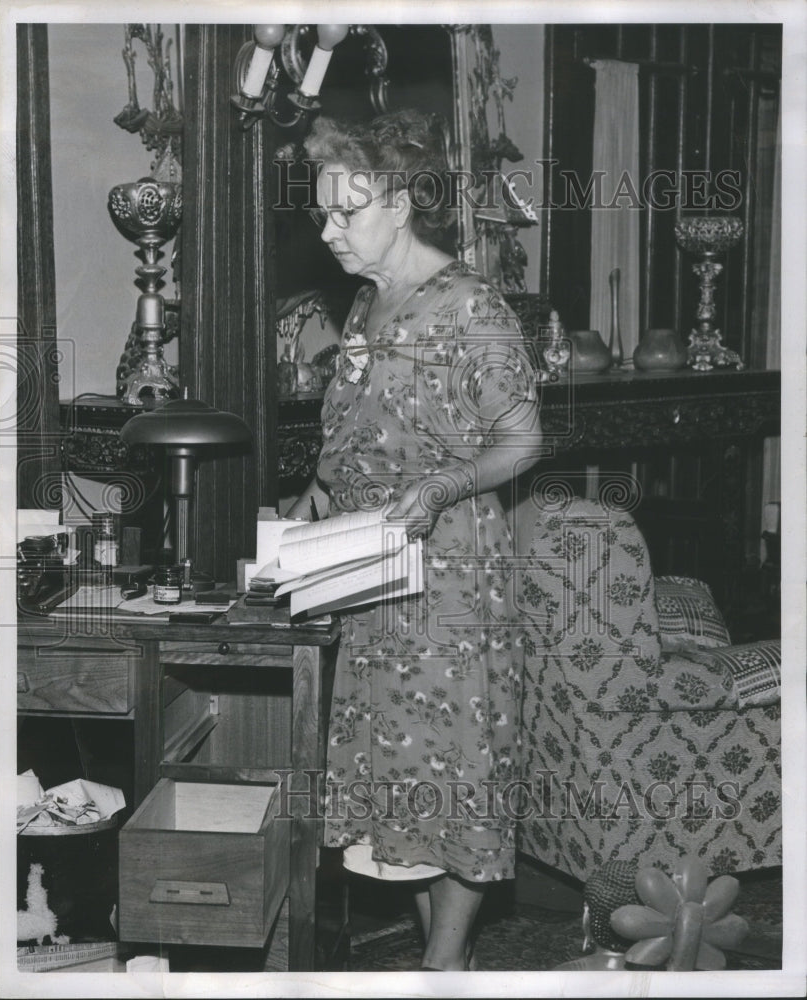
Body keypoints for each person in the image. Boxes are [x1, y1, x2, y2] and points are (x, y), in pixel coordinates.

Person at [287, 109, 542, 971]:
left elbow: (521, 439)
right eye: (321, 213)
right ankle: (451, 957)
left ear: (398, 203)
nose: (327, 230)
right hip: (372, 569)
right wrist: (315, 497)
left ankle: (441, 967)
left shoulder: (471, 306)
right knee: (405, 765)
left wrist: (443, 484)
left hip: (453, 572)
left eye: (343, 212)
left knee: (456, 762)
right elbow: (355, 427)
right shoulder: (367, 299)